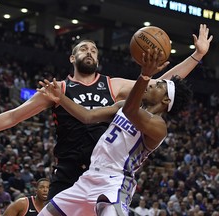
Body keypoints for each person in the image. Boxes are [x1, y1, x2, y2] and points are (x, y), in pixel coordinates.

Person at [0, 24, 212, 200]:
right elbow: (12, 116)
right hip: (68, 174)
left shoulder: (113, 85)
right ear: (72, 57)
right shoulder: (58, 90)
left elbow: (161, 88)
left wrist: (196, 56)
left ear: (98, 59)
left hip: (101, 174)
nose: (89, 51)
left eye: (93, 49)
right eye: (83, 48)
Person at [36, 48, 193, 215]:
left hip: (115, 183)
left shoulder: (158, 126)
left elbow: (131, 111)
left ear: (166, 99)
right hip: (87, 178)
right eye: (151, 82)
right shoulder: (122, 106)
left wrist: (145, 76)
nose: (150, 85)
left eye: (157, 86)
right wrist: (61, 98)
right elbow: (87, 116)